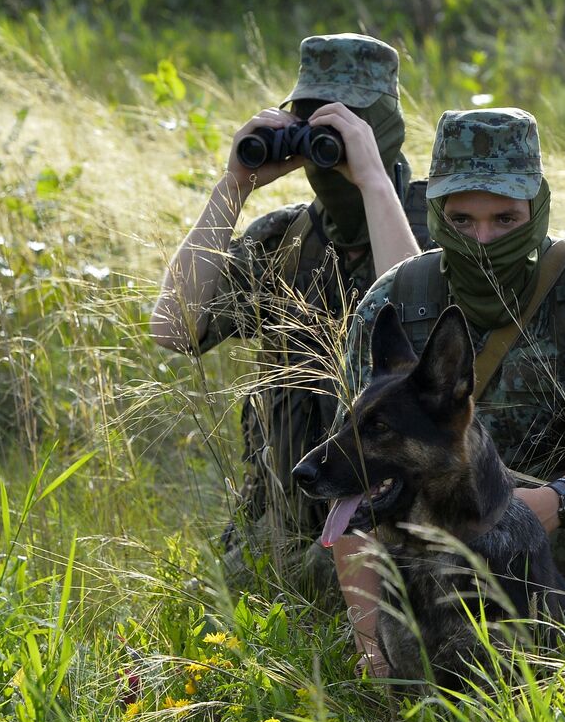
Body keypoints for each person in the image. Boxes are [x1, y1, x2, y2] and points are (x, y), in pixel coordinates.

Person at [324, 107, 565, 676]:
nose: (482, 238)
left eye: (505, 219)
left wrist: (553, 505)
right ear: (435, 213)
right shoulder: (393, 302)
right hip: (441, 535)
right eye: (461, 219)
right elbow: (356, 482)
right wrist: (369, 642)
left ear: (537, 209)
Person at [150, 34, 428, 597]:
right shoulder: (286, 239)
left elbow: (421, 340)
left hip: (399, 536)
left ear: (383, 131)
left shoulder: (439, 228)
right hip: (278, 531)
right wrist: (234, 186)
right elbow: (173, 329)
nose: (332, 142)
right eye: (313, 121)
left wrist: (373, 179)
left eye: (348, 124)